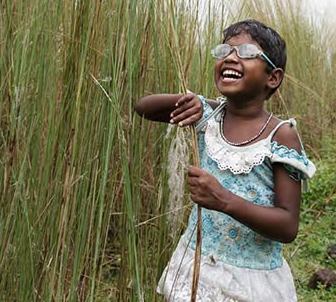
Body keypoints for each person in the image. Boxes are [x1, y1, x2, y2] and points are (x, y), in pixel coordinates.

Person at [135, 19, 316, 302]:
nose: (231, 57)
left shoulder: (281, 135)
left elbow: (287, 225)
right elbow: (143, 107)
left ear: (273, 77)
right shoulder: (207, 116)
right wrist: (188, 99)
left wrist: (224, 200)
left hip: (249, 281)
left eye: (246, 52)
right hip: (198, 268)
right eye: (225, 51)